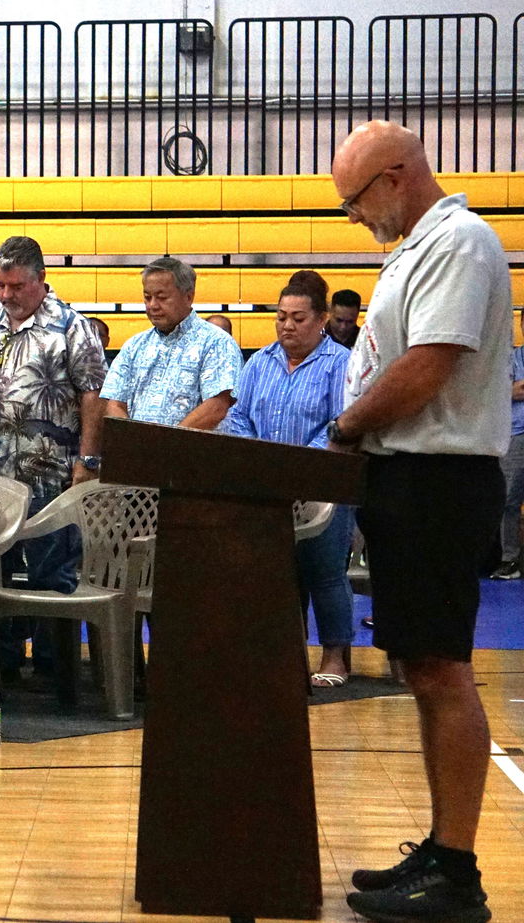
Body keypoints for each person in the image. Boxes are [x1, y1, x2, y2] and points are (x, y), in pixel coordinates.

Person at [328, 121, 512, 923]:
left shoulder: (460, 242)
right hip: (407, 476)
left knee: (441, 669)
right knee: (423, 668)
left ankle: (458, 869)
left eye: (354, 200)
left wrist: (345, 425)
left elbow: (428, 364)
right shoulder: (412, 247)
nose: (354, 216)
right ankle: (443, 848)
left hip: (438, 479)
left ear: (395, 176)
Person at [0, 236, 107, 687]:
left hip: (50, 477)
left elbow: (92, 395)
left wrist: (89, 459)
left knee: (51, 571)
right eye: (0, 284)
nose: (6, 295)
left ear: (40, 280)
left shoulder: (72, 327)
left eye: (15, 286)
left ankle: (59, 670)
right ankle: (0, 667)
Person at [221, 283, 354, 686]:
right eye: (281, 317)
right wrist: (261, 460)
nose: (287, 326)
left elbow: (341, 422)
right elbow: (238, 416)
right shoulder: (259, 361)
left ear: (321, 320)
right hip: (266, 487)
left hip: (323, 485)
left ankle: (335, 657)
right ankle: (282, 654)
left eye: (298, 318)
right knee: (273, 574)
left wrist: (297, 467)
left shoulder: (341, 363)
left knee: (325, 572)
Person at [100, 258, 242, 429]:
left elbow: (217, 407)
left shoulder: (217, 343)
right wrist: (136, 441)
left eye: (161, 297)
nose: (152, 305)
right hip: (140, 451)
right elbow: (114, 404)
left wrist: (164, 445)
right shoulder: (134, 346)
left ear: (188, 297)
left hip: (194, 453)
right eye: (147, 297)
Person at [495, 307, 524, 581]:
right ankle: (509, 560)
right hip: (516, 434)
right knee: (508, 500)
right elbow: (509, 390)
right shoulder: (513, 357)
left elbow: (518, 389)